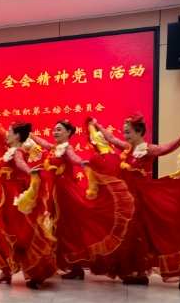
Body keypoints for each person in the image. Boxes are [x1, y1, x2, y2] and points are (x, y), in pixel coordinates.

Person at [90, 115, 180, 288]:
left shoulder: (149, 149)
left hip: (143, 198)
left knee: (155, 234)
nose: (125, 136)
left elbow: (167, 148)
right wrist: (97, 125)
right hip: (129, 199)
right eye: (124, 132)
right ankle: (137, 272)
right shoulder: (127, 148)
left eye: (128, 132)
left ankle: (179, 269)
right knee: (134, 235)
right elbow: (111, 139)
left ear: (139, 132)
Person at [28, 119, 136, 282]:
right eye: (54, 129)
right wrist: (30, 135)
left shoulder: (67, 148)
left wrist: (83, 162)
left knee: (70, 229)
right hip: (55, 193)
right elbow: (43, 143)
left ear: (68, 133)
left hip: (67, 193)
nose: (55, 132)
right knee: (60, 229)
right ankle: (73, 267)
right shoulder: (54, 148)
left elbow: (74, 158)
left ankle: (76, 267)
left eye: (59, 129)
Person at [0, 117, 56, 289]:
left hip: (14, 199)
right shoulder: (11, 149)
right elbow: (1, 136)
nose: (7, 134)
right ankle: (6, 271)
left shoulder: (17, 151)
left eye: (10, 132)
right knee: (2, 233)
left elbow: (20, 163)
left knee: (20, 233)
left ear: (17, 136)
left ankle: (34, 272)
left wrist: (30, 171)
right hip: (5, 198)